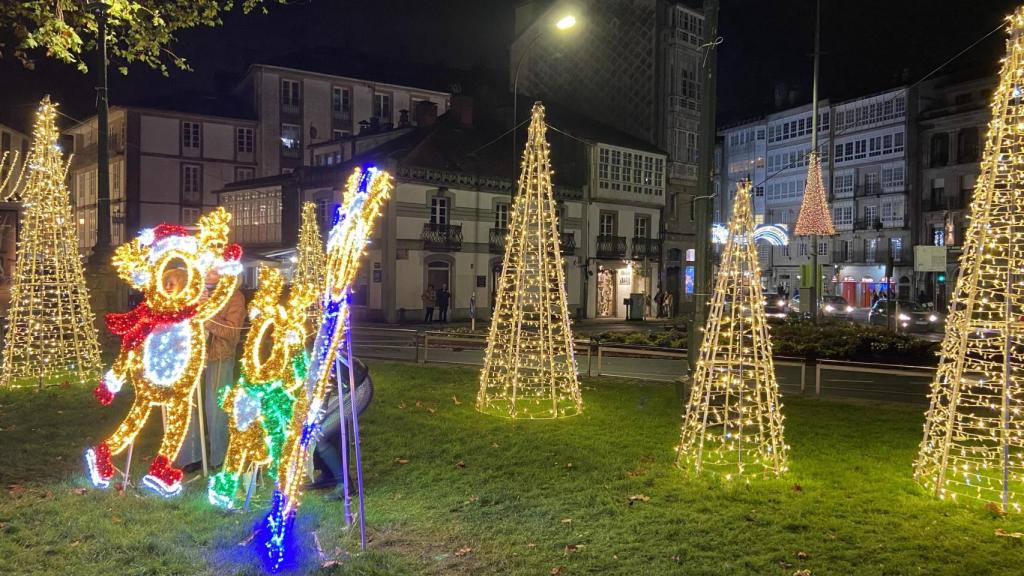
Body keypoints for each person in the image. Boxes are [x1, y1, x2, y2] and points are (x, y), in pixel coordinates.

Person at [177, 268, 246, 472]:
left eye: (216, 268)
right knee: (189, 405)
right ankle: (191, 456)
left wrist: (206, 315)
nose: (209, 272)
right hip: (191, 356)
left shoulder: (234, 296)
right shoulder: (189, 291)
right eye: (206, 266)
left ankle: (220, 456)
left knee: (216, 406)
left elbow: (232, 332)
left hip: (219, 356)